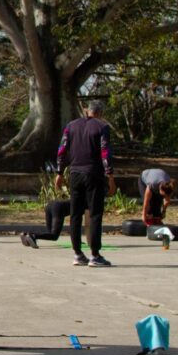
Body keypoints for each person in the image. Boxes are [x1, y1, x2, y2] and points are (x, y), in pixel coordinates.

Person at [55, 99, 116, 267]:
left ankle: (77, 253)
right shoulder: (102, 127)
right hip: (93, 174)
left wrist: (59, 172)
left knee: (75, 214)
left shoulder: (71, 126)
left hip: (75, 174)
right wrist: (110, 176)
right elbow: (105, 153)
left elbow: (62, 149)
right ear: (100, 113)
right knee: (95, 213)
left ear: (87, 111)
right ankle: (95, 255)